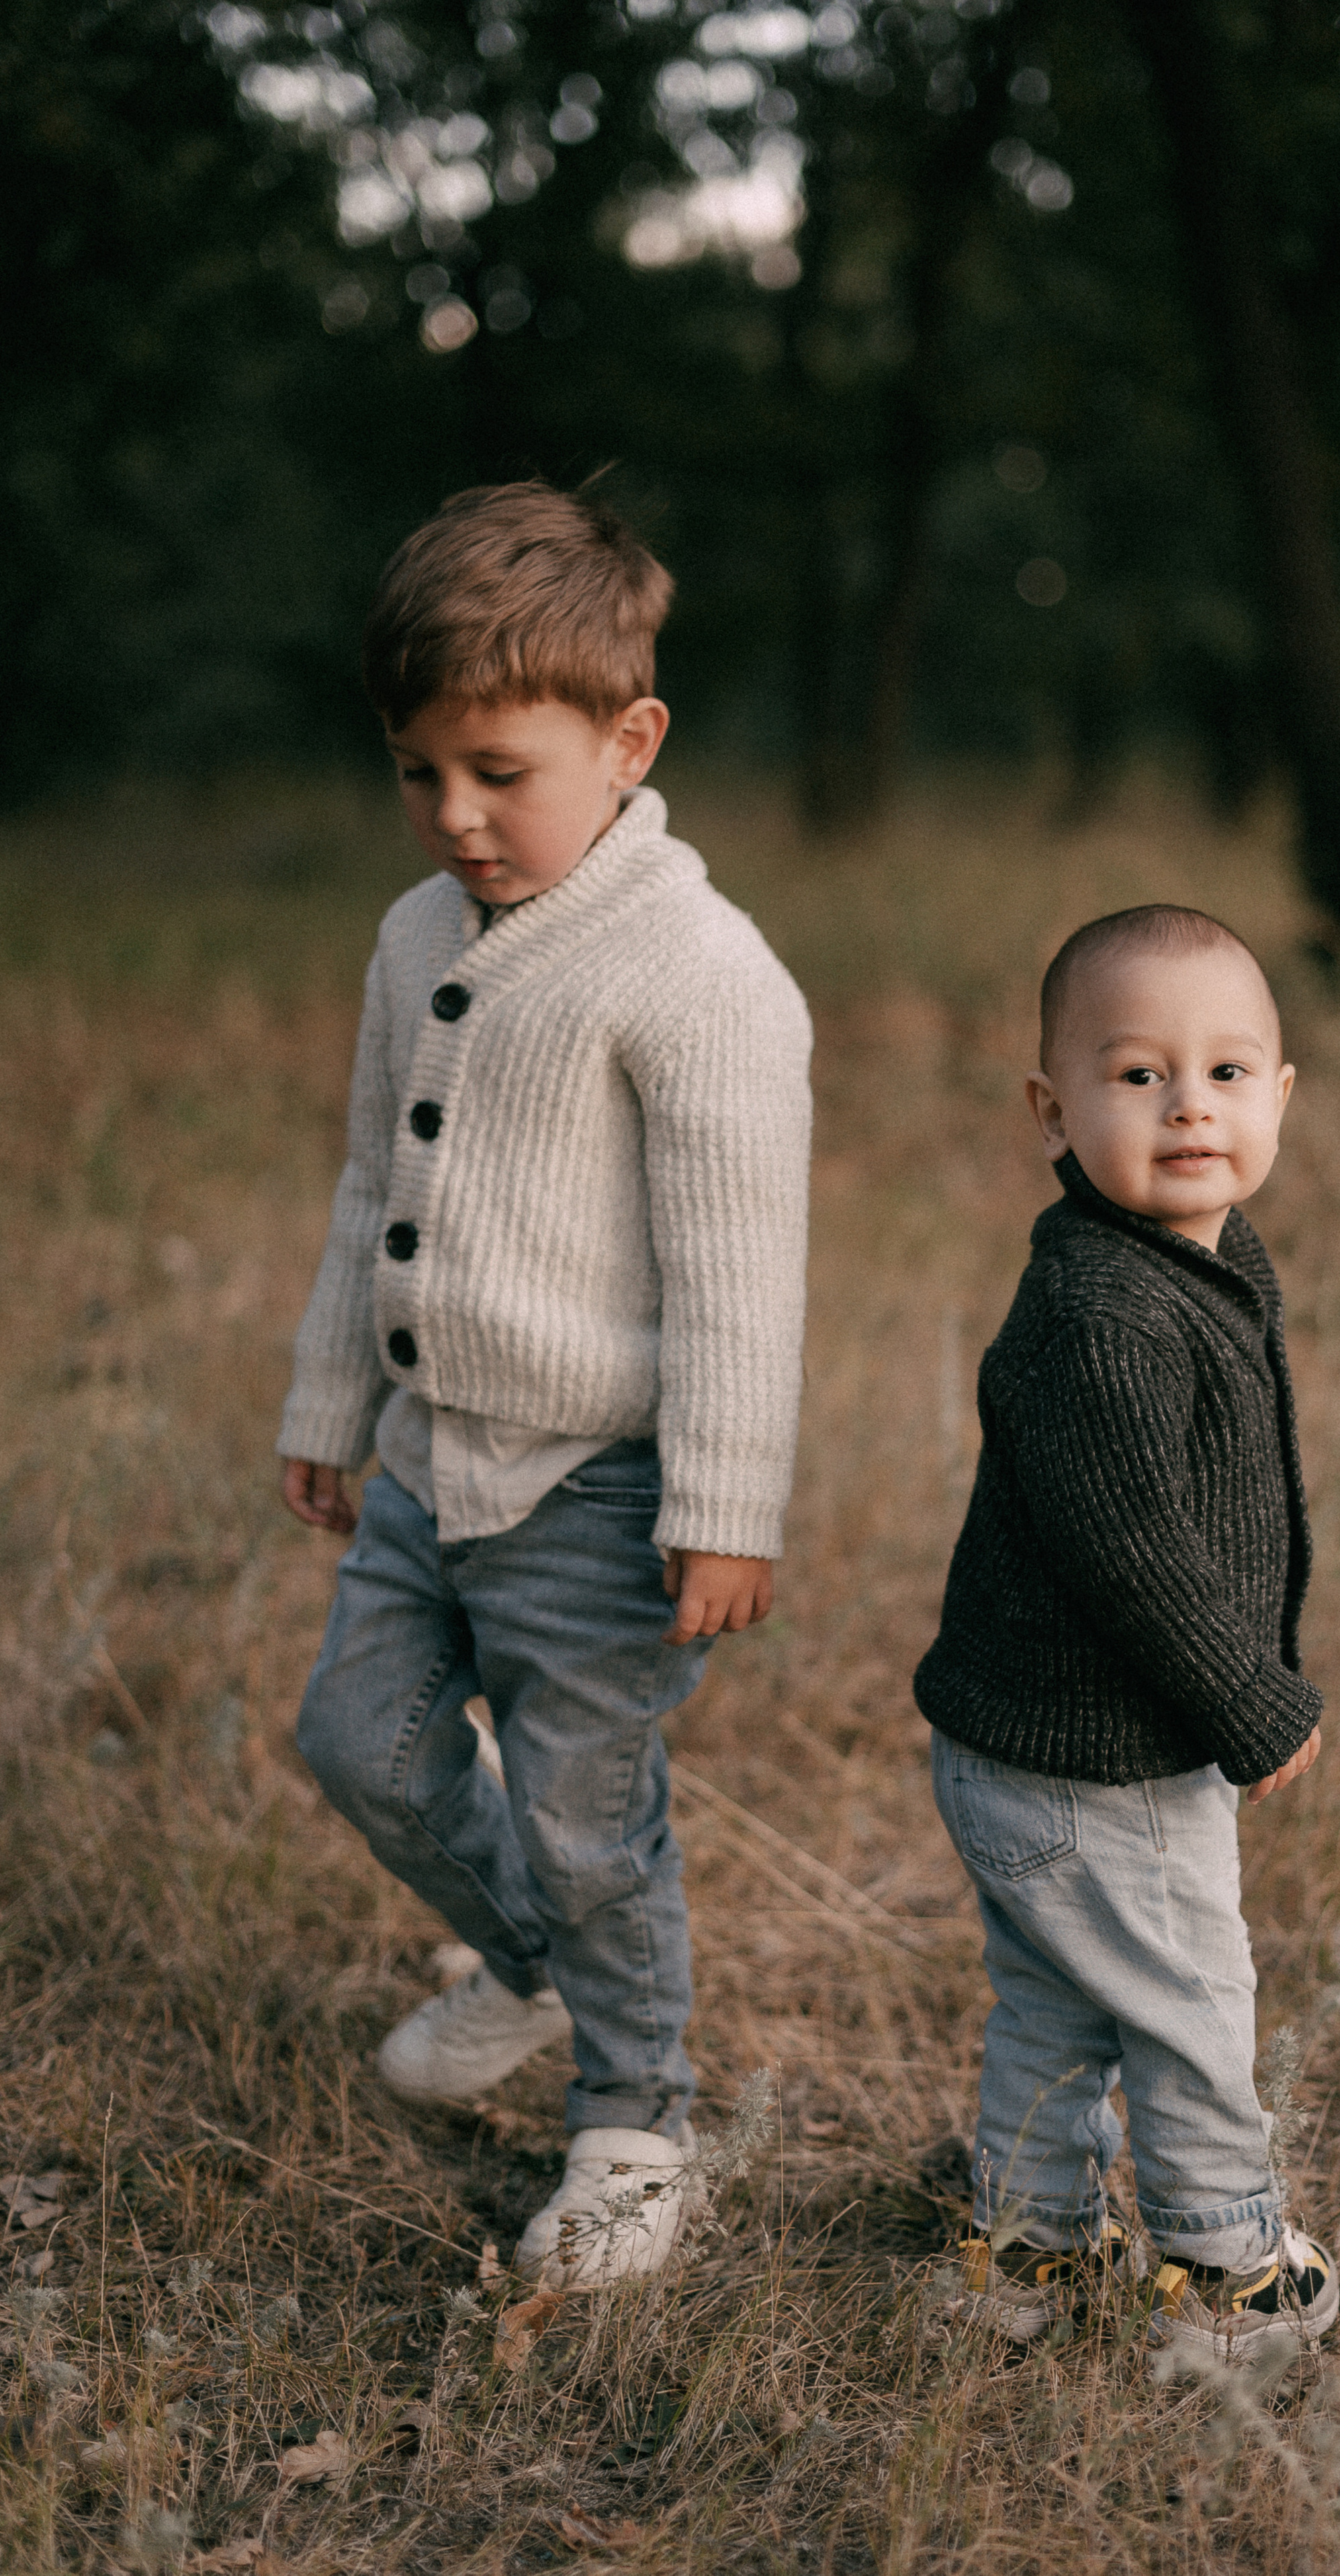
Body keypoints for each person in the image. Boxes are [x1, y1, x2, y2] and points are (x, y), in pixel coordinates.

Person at [277, 482, 811, 2289]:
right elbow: (375, 1181)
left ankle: (636, 2117)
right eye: (420, 773)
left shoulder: (695, 971)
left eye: (499, 770)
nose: (456, 816)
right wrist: (330, 1403)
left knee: (593, 1812)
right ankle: (525, 1962)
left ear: (628, 737)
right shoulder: (417, 934)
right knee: (355, 1738)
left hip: (597, 1484)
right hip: (435, 1459)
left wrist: (727, 1509)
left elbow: (745, 1271)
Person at [913, 903, 1338, 2357]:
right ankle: (1226, 2272)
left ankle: (1020, 2252)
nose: (1186, 1107)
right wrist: (1254, 1700)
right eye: (1137, 1074)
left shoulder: (1188, 1260)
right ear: (1052, 1107)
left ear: (1279, 1095)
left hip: (1031, 1749)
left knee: (1056, 2002)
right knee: (1182, 2008)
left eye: (1225, 1072)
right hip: (1101, 1766)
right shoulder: (1102, 1313)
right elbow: (1133, 1551)